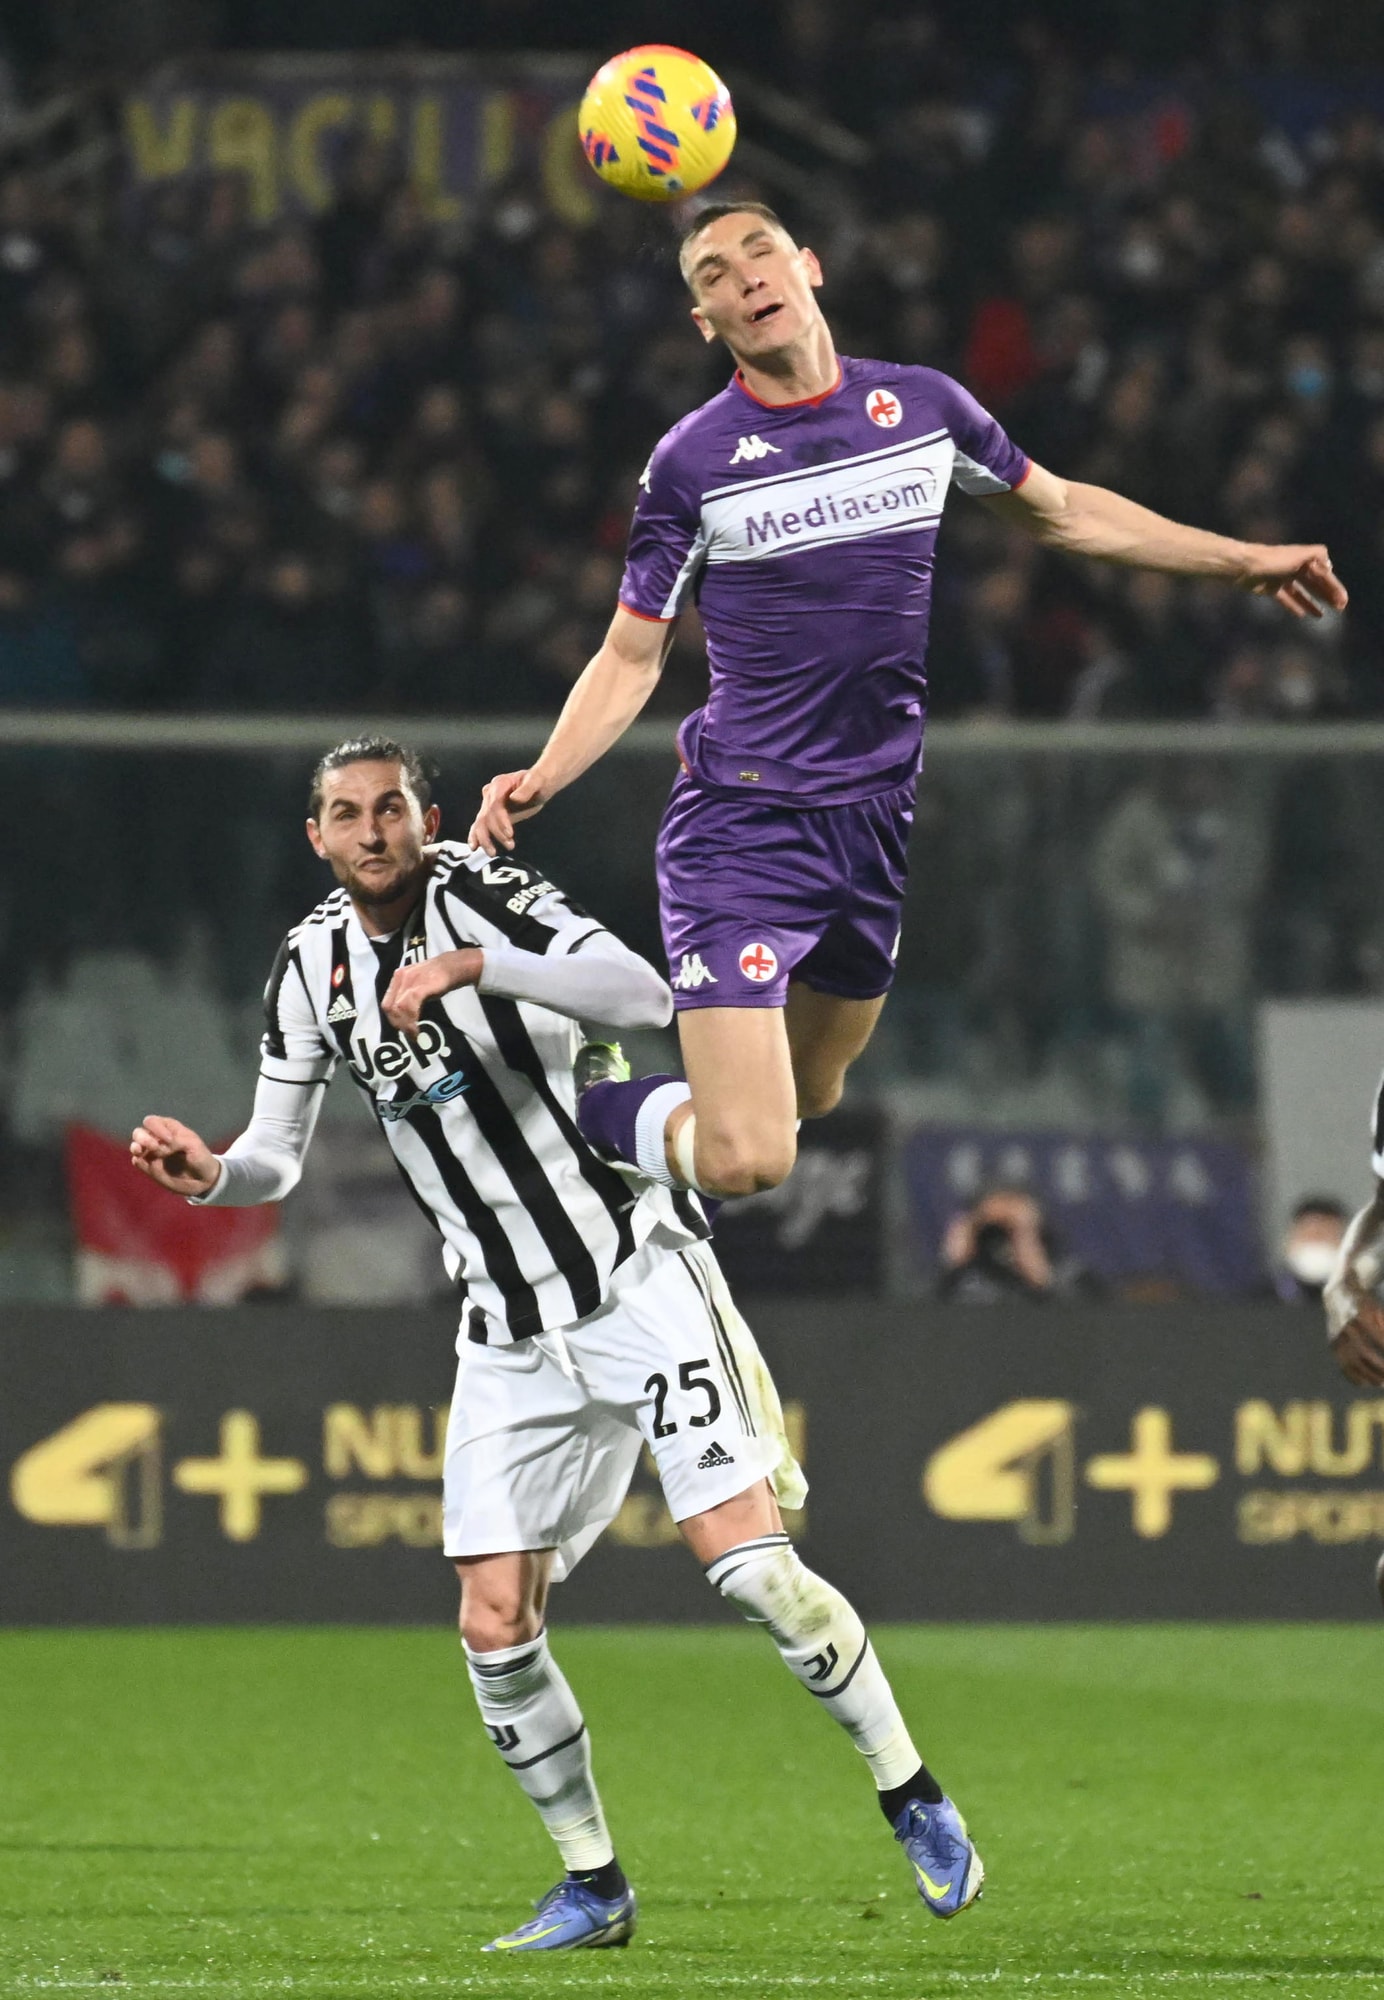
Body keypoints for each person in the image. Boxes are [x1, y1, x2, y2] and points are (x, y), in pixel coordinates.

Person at [129, 736, 984, 1951]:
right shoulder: (307, 967)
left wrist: (477, 965)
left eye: (390, 807)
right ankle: (593, 1882)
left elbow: (645, 994)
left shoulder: (484, 891)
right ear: (315, 836)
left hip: (632, 1276)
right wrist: (212, 1172)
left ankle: (912, 1794)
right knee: (492, 1622)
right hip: (506, 1328)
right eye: (345, 814)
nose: (371, 830)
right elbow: (274, 1153)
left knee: (750, 1569)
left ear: (426, 818)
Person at [468, 200, 1348, 1206]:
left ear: (808, 266)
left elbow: (1062, 510)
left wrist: (1240, 560)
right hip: (743, 826)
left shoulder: (922, 407)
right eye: (713, 274)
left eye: (760, 252)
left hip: (873, 821)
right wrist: (547, 773)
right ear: (706, 324)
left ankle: (672, 1110)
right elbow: (632, 653)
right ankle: (589, 1101)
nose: (745, 276)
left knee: (811, 1092)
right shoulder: (692, 463)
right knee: (750, 1158)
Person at [1271, 1195, 1348, 1304]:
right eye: (1309, 1235)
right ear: (1289, 1242)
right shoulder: (1257, 1300)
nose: (1316, 1244)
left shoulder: (1364, 1302)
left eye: (1326, 1236)